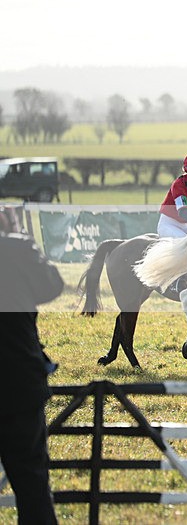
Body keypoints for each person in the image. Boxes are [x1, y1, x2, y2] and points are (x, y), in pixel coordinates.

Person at [0, 207, 63, 525]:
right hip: (16, 380)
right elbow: (52, 286)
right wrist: (20, 239)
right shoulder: (15, 247)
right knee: (32, 483)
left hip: (17, 380)